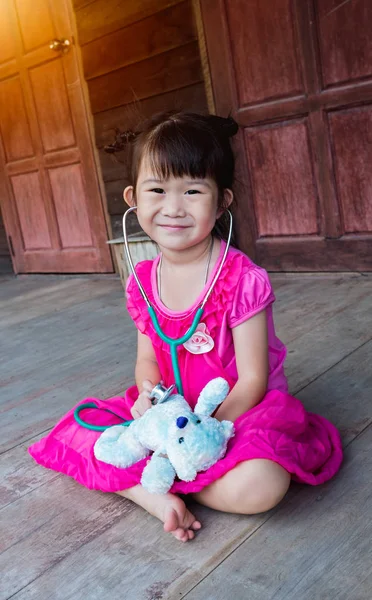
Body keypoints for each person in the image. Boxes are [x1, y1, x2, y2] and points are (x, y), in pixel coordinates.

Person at [29, 112, 343, 543]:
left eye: (192, 191)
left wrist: (205, 432)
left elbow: (253, 380)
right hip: (168, 414)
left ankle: (150, 478)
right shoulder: (141, 279)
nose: (173, 208)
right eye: (157, 190)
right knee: (75, 431)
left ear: (222, 202)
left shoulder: (241, 279)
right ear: (133, 199)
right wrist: (148, 400)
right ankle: (156, 495)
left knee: (261, 485)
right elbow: (146, 361)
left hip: (232, 418)